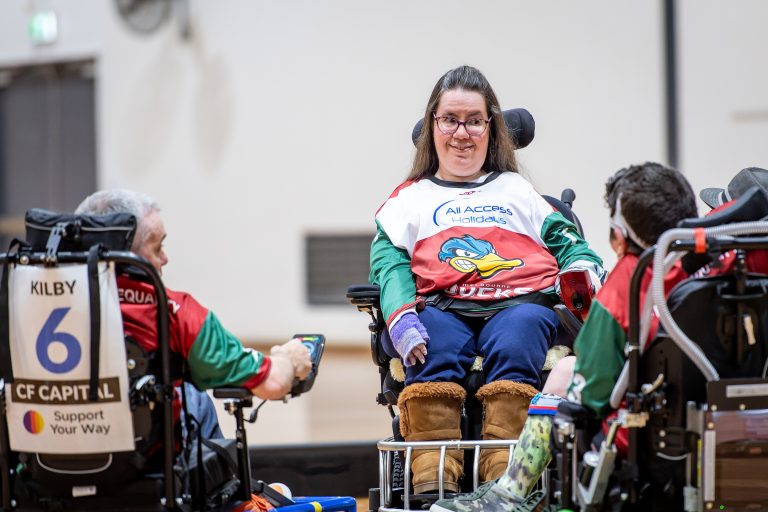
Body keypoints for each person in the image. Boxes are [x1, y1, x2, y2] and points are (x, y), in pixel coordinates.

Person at [369, 65, 606, 493]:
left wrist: (582, 273)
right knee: (431, 344)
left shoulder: (517, 191)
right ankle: (431, 479)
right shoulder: (409, 198)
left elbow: (570, 244)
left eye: (474, 120)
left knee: (519, 336)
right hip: (442, 305)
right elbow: (389, 263)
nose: (462, 132)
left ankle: (504, 477)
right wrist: (401, 315)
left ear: (490, 129)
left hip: (519, 303)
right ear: (432, 127)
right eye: (450, 120)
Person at [429, 162, 699, 512]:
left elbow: (596, 389)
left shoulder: (626, 288)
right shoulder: (711, 271)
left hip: (633, 434)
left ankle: (510, 493)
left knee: (565, 372)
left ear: (618, 236)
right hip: (705, 426)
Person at [75, 189, 312, 408]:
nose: (165, 258)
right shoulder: (177, 312)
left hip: (51, 448)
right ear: (128, 256)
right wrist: (287, 358)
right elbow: (273, 384)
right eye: (158, 248)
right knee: (195, 397)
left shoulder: (41, 305)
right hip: (148, 452)